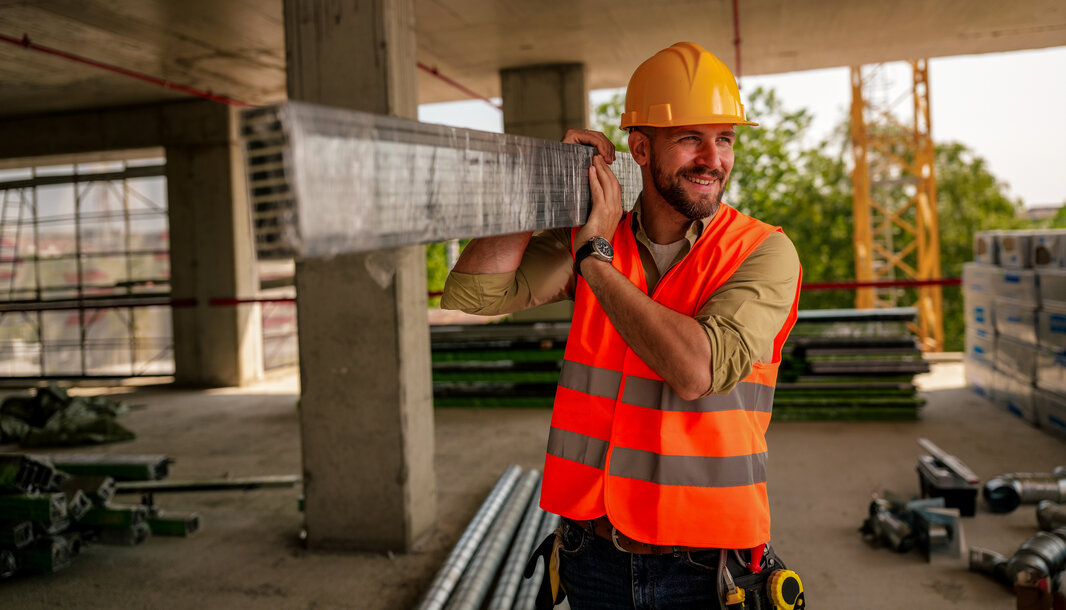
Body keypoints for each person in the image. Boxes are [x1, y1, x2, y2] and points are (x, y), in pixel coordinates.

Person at [441, 41, 803, 609]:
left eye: (725, 139)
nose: (713, 157)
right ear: (639, 146)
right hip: (593, 557)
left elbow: (696, 369)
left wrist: (594, 259)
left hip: (704, 569)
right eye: (690, 138)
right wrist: (542, 181)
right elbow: (473, 292)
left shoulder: (762, 252)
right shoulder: (598, 233)